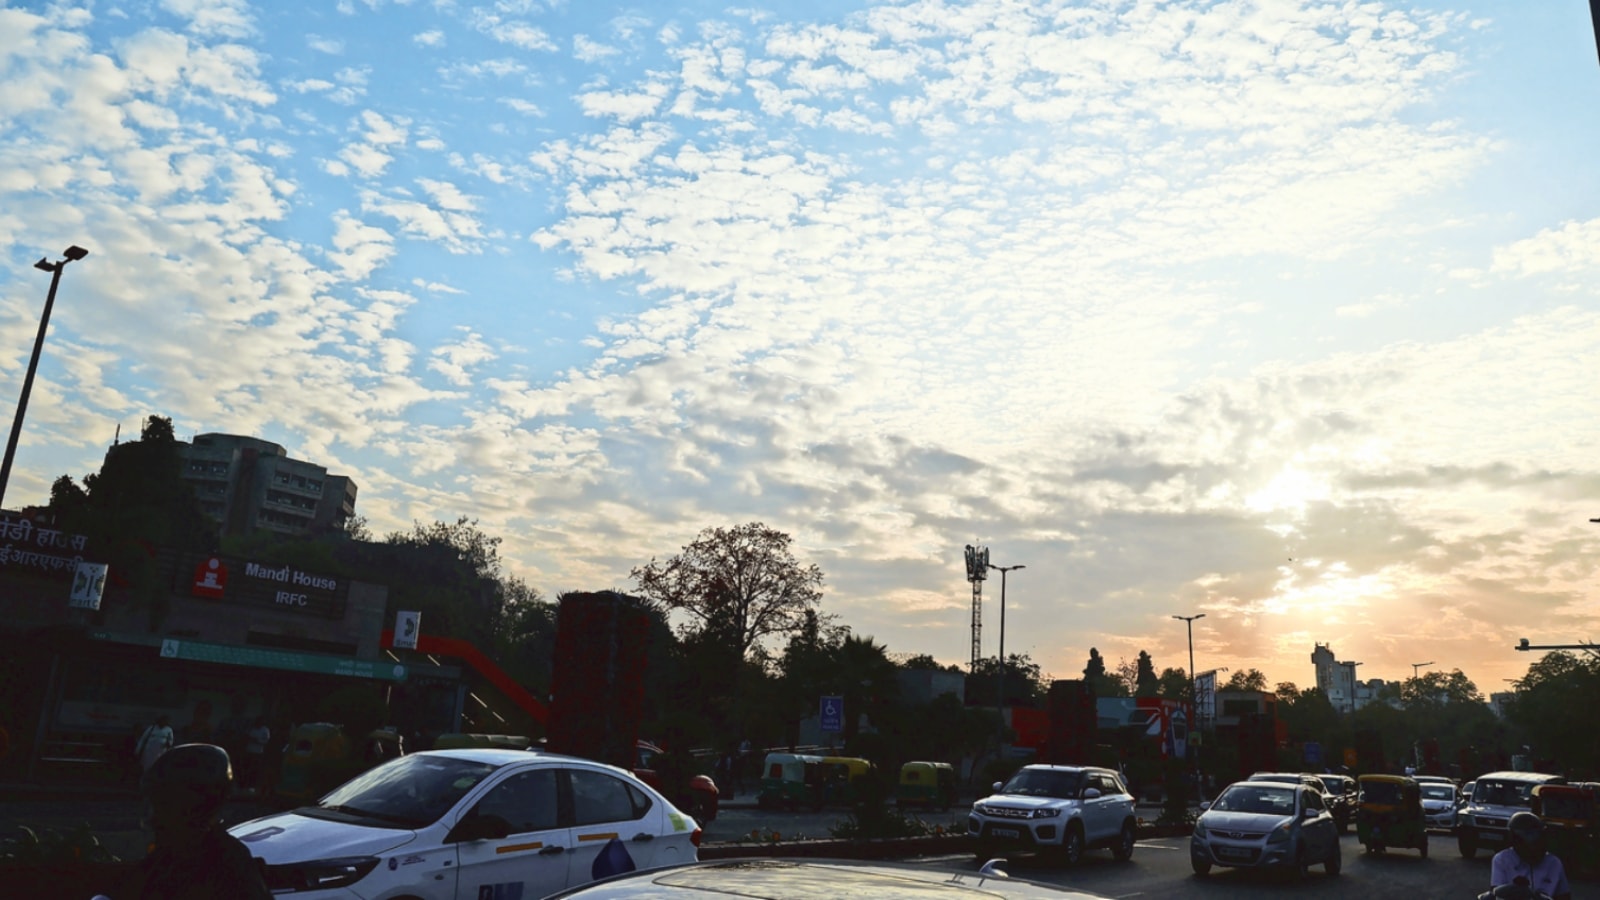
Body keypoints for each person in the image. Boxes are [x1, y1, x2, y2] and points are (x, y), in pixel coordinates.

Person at [122, 743, 272, 900]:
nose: (153, 818)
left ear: (191, 806)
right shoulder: (170, 855)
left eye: (162, 805)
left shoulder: (226, 865)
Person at [1490, 811, 1571, 900]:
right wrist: (1515, 889)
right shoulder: (1502, 859)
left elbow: (1564, 896)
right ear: (1515, 839)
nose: (1532, 843)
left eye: (1536, 835)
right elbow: (1496, 893)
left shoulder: (1554, 863)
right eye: (1526, 836)